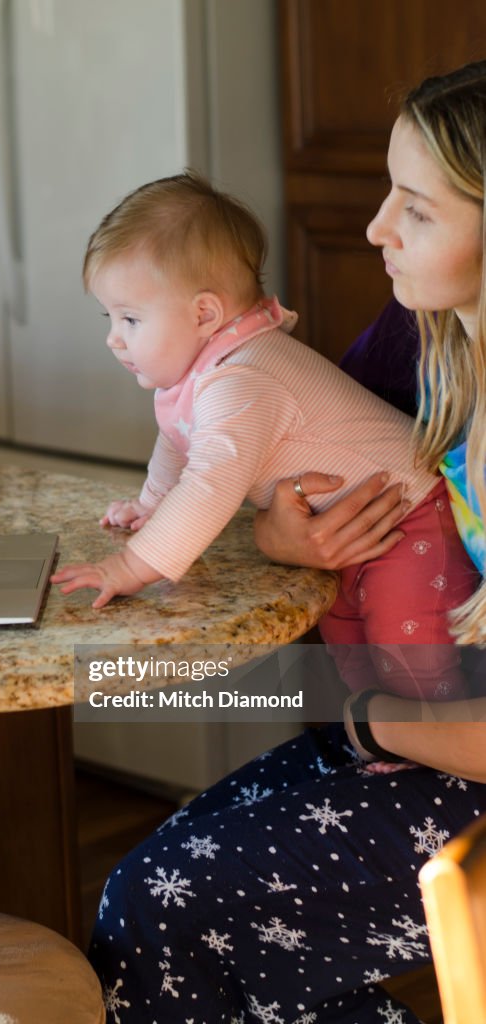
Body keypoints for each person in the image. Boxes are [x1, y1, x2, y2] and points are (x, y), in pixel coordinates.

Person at [86, 60, 486, 1024]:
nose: (375, 229)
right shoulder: (427, 346)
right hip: (422, 725)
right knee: (142, 888)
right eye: (386, 192)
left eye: (417, 210)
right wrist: (284, 533)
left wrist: (363, 721)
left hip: (453, 756)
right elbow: (282, 457)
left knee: (153, 914)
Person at [52, 171, 477, 699]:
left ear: (205, 313)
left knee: (405, 654)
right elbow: (179, 439)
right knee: (346, 639)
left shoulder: (242, 380)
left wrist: (130, 566)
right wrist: (153, 503)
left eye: (130, 319)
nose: (114, 339)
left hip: (412, 516)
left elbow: (209, 484)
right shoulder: (210, 369)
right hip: (354, 528)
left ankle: (426, 750)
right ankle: (381, 748)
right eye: (110, 318)